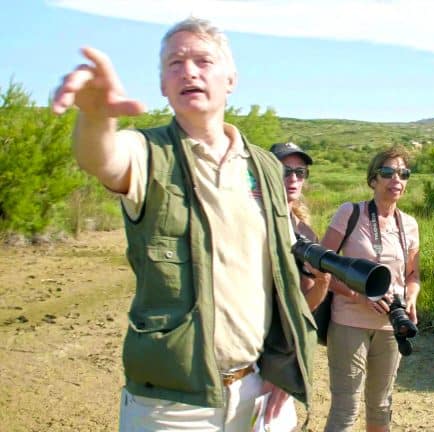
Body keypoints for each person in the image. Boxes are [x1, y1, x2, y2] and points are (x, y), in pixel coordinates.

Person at [52, 17, 316, 431]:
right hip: (172, 406)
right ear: (161, 84)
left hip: (258, 390)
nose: (188, 71)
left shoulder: (264, 166)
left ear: (231, 78)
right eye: (174, 63)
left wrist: (283, 368)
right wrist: (96, 116)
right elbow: (102, 158)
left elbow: (278, 278)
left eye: (202, 60)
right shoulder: (148, 152)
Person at [319, 147, 421, 432]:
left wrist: (411, 299)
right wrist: (358, 295)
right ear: (373, 180)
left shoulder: (410, 225)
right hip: (349, 322)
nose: (396, 179)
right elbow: (320, 267)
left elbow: (413, 275)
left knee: (381, 406)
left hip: (391, 326)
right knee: (346, 408)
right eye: (387, 172)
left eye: (403, 173)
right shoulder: (350, 213)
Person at [270, 141, 331, 311]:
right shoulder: (252, 221)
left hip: (285, 333)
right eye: (284, 171)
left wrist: (322, 282)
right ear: (267, 174)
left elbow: (306, 307)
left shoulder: (306, 233)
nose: (293, 179)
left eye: (300, 172)